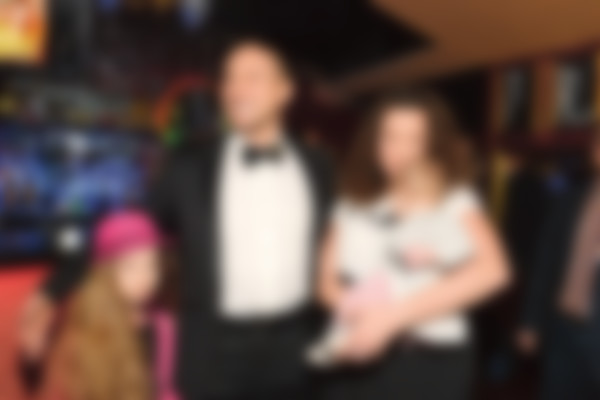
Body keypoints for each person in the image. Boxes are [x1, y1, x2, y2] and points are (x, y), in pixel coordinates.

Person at [23, 38, 333, 400]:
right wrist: (50, 293)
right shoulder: (190, 166)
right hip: (216, 354)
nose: (235, 89)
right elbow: (119, 232)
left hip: (294, 349)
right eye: (229, 78)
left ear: (285, 91)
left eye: (252, 77)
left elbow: (341, 243)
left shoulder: (318, 166)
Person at [317, 89, 510, 400]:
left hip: (428, 359)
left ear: (431, 144)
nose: (401, 151)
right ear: (374, 143)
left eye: (414, 139)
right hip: (354, 351)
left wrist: (389, 319)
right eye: (390, 137)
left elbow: (493, 271)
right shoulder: (351, 202)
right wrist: (360, 320)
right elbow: (325, 282)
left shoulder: (452, 198)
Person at [38, 210, 177, 400]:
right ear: (106, 274)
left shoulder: (165, 325)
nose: (145, 276)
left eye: (152, 264)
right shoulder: (90, 331)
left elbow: (165, 385)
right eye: (130, 266)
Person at [517, 132, 600, 400]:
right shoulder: (570, 199)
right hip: (562, 328)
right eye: (598, 142)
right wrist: (531, 321)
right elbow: (545, 261)